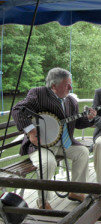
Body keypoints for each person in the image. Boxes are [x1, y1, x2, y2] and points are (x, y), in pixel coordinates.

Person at [12, 67, 96, 210]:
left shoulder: (71, 101)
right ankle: (43, 201)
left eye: (70, 83)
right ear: (53, 86)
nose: (70, 87)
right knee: (49, 163)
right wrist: (31, 131)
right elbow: (17, 110)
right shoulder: (39, 94)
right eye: (66, 84)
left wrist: (88, 118)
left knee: (83, 152)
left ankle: (75, 191)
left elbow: (77, 124)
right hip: (41, 145)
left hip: (64, 143)